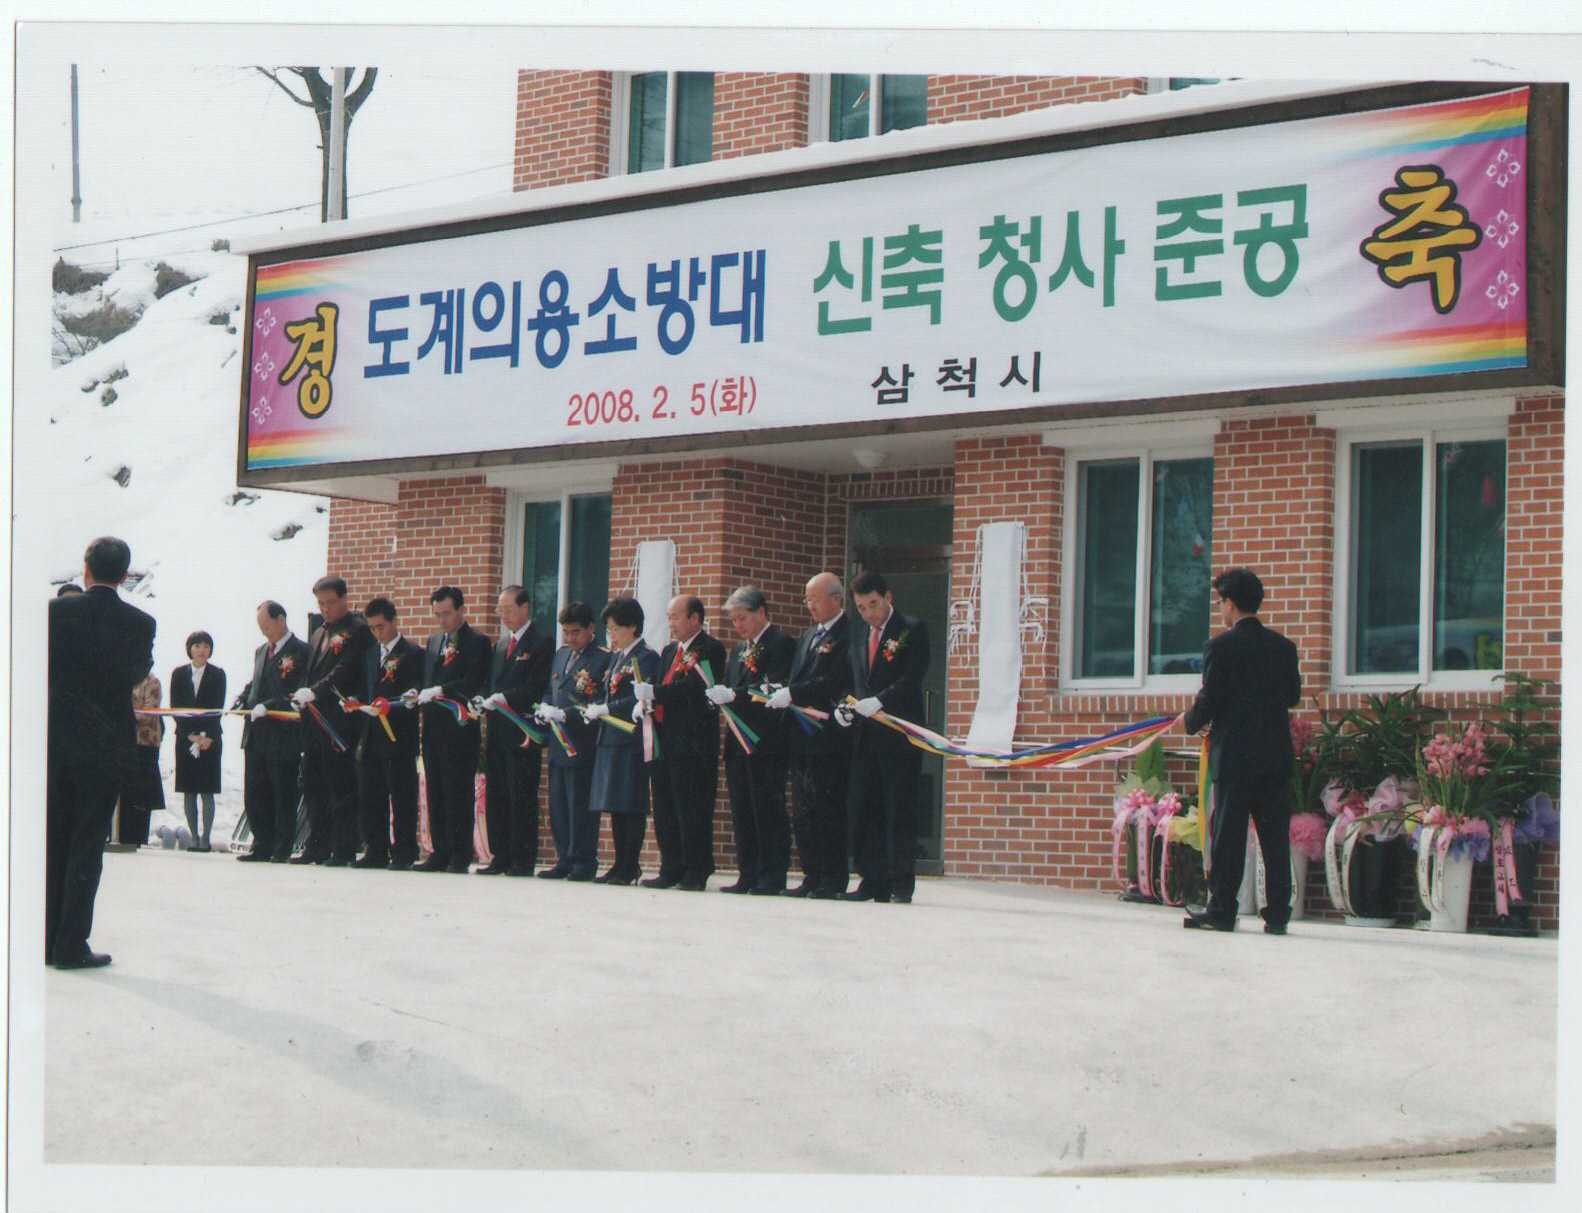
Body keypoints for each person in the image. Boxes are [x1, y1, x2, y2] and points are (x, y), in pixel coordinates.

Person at [46, 536, 155, 969]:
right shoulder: (141, 623)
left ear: (85, 569)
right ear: (125, 575)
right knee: (88, 842)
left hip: (57, 739)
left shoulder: (55, 613)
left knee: (53, 837)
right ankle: (70, 943)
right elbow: (137, 672)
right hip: (107, 744)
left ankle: (45, 937)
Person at [1182, 567, 1302, 935]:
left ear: (1230, 603)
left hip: (1234, 757)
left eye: (1220, 602)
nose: (1220, 609)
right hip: (1274, 756)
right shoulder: (1284, 647)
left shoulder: (1220, 647)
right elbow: (1292, 696)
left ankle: (1222, 910)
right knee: (1275, 839)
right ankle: (1278, 914)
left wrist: (1190, 721)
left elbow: (1211, 697)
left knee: (1229, 838)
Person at [840, 570, 930, 904]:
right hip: (866, 735)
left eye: (874, 604)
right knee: (867, 808)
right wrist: (844, 706)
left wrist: (880, 700)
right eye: (862, 608)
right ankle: (871, 880)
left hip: (898, 735)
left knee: (898, 809)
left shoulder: (911, 629)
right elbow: (851, 677)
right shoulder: (857, 632)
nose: (869, 614)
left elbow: (912, 677)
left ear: (888, 597)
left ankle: (900, 883)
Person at [769, 572, 854, 899]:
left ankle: (832, 878)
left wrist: (794, 693)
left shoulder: (848, 633)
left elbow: (835, 680)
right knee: (803, 809)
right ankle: (811, 874)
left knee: (827, 807)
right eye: (807, 599)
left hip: (828, 736)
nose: (810, 606)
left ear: (837, 599)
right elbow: (797, 677)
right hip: (801, 736)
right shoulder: (808, 636)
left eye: (816, 599)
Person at [706, 586, 796, 895]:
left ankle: (772, 875)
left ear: (761, 612)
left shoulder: (780, 643)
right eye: (733, 620)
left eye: (742, 618)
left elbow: (774, 685)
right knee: (742, 809)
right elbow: (730, 685)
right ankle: (748, 873)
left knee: (767, 808)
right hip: (737, 740)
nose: (738, 625)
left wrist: (734, 694)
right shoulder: (737, 651)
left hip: (765, 739)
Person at [642, 595, 727, 890]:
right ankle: (671, 867)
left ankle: (696, 869)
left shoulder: (710, 649)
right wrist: (646, 698)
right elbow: (659, 684)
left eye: (676, 617)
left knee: (691, 808)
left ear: (695, 618)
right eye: (668, 617)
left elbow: (694, 687)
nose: (671, 623)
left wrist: (655, 692)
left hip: (692, 743)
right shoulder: (669, 651)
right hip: (664, 739)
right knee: (665, 807)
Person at [290, 576, 375, 866]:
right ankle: (317, 845)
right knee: (313, 785)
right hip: (313, 723)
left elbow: (344, 669)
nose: (326, 609)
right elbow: (310, 671)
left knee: (340, 787)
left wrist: (314, 691)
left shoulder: (358, 630)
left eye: (331, 603)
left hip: (339, 723)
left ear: (344, 599)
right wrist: (301, 693)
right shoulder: (318, 633)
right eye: (321, 604)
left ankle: (343, 848)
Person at [477, 586, 554, 876]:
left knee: (520, 795)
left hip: (522, 732)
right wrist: (482, 698)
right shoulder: (500, 645)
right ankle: (501, 855)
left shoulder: (541, 642)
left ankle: (522, 858)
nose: (503, 615)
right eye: (500, 610)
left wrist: (505, 698)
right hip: (497, 731)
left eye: (508, 609)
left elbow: (535, 685)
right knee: (497, 794)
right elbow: (490, 683)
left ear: (525, 608)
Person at [416, 586, 491, 872]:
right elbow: (427, 677)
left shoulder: (477, 641)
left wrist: (442, 690)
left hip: (459, 730)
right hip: (432, 729)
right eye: (437, 614)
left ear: (461, 609)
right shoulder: (434, 641)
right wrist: (419, 691)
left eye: (447, 613)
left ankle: (460, 853)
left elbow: (474, 680)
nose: (442, 620)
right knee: (435, 790)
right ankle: (440, 851)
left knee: (457, 791)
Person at [585, 597, 660, 884]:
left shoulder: (646, 656)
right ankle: (619, 863)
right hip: (610, 736)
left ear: (633, 627)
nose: (612, 635)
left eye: (616, 629)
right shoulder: (617, 656)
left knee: (630, 802)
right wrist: (595, 707)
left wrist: (608, 708)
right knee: (615, 803)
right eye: (609, 630)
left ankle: (630, 864)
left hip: (631, 737)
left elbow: (638, 696)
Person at [534, 603, 610, 881]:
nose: (570, 638)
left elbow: (598, 699)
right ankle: (563, 858)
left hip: (582, 742)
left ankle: (583, 861)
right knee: (559, 804)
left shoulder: (602, 658)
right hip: (558, 742)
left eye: (575, 632)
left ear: (591, 629)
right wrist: (544, 707)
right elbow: (550, 689)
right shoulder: (561, 655)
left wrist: (566, 714)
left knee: (580, 806)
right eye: (565, 632)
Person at [235, 601, 309, 863]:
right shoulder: (261, 651)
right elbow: (256, 682)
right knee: (255, 791)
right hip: (256, 732)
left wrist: (269, 705)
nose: (264, 632)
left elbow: (295, 688)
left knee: (282, 790)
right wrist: (243, 699)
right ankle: (261, 844)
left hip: (282, 733)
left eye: (267, 626)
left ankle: (281, 846)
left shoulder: (301, 651)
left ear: (281, 620)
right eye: (260, 627)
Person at [354, 597, 424, 869]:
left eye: (381, 626)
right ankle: (375, 849)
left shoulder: (413, 653)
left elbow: (415, 689)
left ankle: (404, 851)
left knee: (402, 796)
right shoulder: (370, 654)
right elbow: (366, 689)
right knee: (371, 795)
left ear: (394, 621)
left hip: (399, 735)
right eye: (372, 628)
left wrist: (404, 699)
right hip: (372, 735)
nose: (377, 633)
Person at [171, 631, 226, 852]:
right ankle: (193, 836)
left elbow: (218, 707)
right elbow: (175, 707)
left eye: (205, 646)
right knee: (189, 789)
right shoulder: (178, 674)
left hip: (210, 738)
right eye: (197, 646)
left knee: (207, 789)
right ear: (189, 649)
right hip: (186, 737)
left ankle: (206, 837)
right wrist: (189, 735)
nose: (201, 650)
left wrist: (206, 736)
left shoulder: (218, 674)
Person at [119, 672, 165, 846]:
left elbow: (148, 712)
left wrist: (123, 717)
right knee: (124, 795)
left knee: (142, 796)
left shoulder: (152, 682)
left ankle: (138, 838)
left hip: (144, 745)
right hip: (123, 743)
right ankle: (120, 835)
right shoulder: (122, 679)